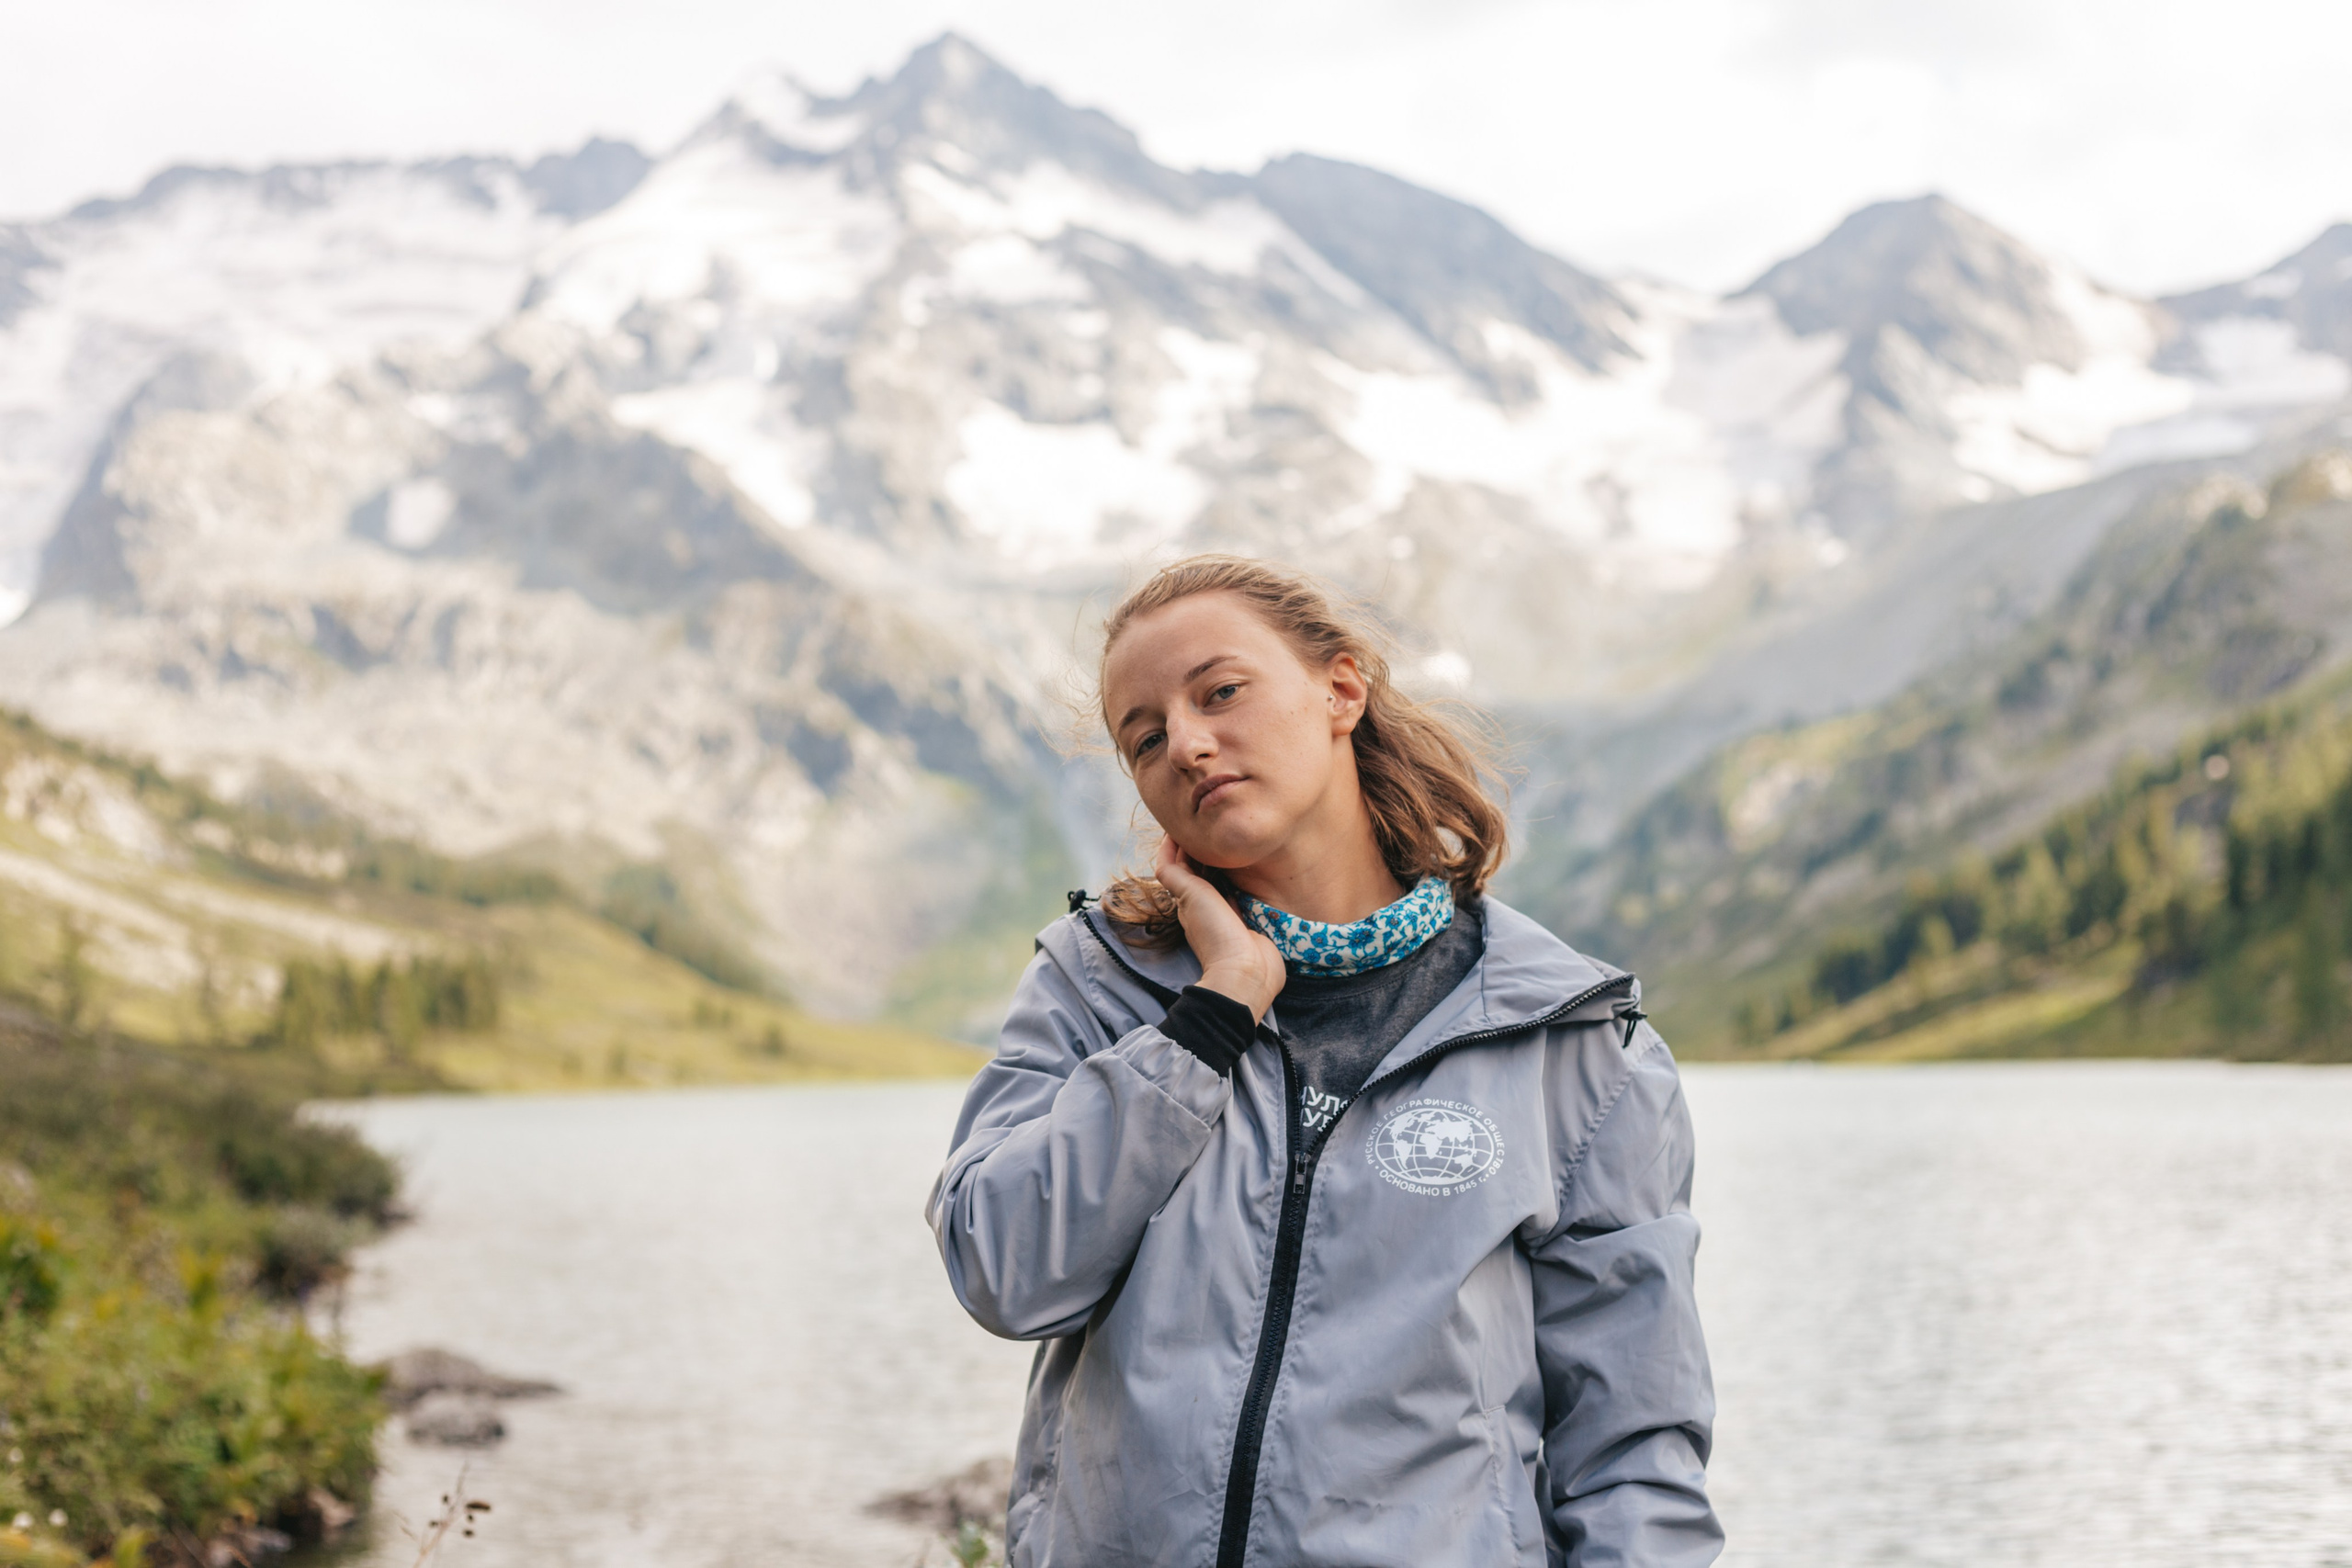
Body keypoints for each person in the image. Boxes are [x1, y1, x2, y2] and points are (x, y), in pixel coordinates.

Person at [927, 556, 1721, 1568]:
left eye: (1219, 692)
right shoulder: (1098, 985)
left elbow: (1634, 1447)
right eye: (1145, 737)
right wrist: (1208, 1022)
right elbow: (1002, 1268)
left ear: (1341, 690)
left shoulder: (1575, 1046)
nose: (1188, 744)